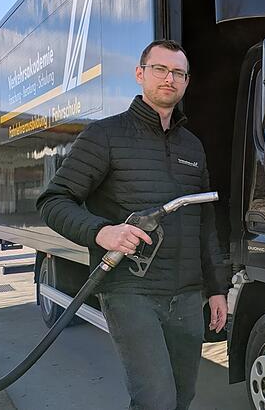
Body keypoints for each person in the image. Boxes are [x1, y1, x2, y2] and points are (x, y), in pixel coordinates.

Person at [36, 40, 230, 410]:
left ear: (186, 82)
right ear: (140, 74)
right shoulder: (105, 136)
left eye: (178, 73)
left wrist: (216, 287)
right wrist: (101, 231)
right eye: (160, 69)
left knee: (182, 396)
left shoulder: (193, 147)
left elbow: (204, 222)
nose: (169, 79)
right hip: (130, 291)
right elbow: (53, 200)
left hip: (186, 295)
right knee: (155, 399)